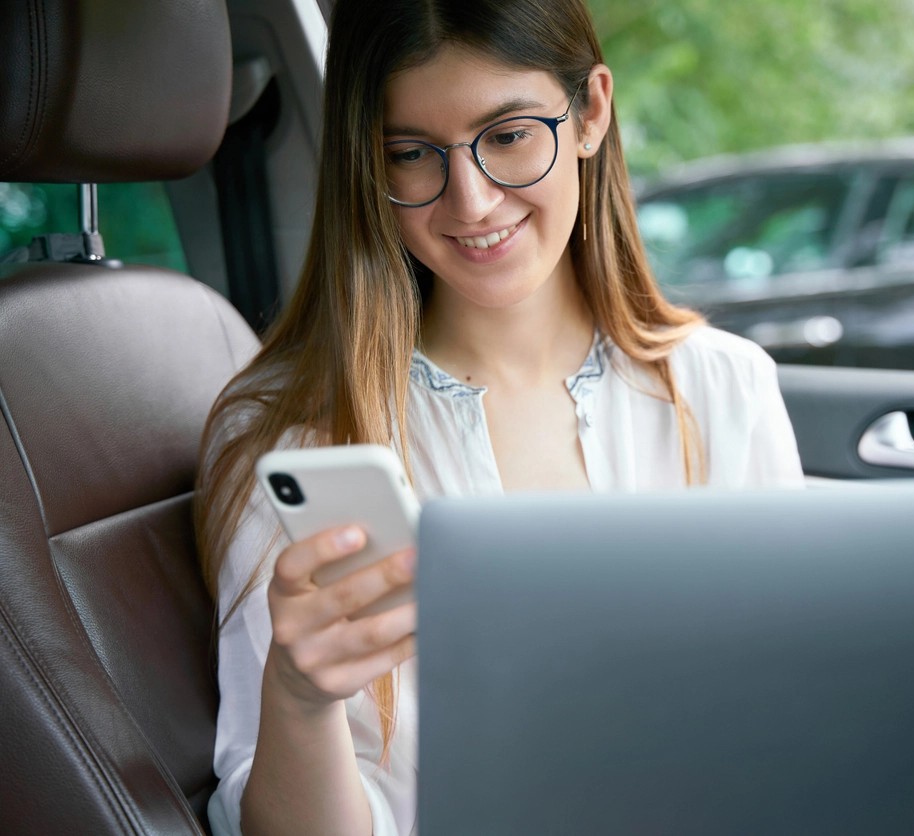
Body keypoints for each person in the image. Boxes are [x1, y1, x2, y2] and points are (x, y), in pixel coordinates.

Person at [195, 0, 805, 833]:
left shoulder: (723, 388)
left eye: (511, 135)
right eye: (411, 154)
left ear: (590, 111)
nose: (472, 202)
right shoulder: (289, 435)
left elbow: (788, 726)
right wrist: (300, 702)